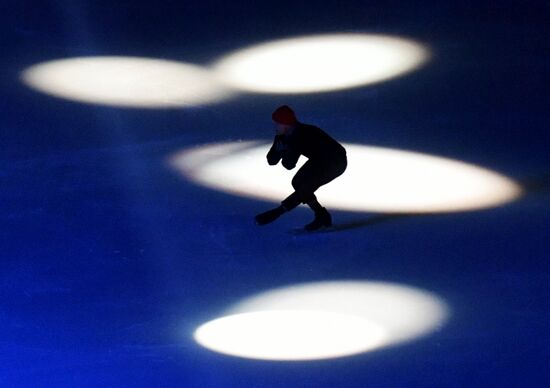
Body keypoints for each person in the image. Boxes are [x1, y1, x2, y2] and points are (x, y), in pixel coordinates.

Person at [255, 105, 347, 231]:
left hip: (335, 161)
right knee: (298, 182)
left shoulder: (300, 136)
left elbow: (288, 165)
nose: (274, 127)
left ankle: (280, 212)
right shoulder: (283, 136)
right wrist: (280, 150)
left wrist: (283, 150)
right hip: (319, 159)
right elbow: (271, 160)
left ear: (286, 125)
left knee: (304, 186)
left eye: (277, 124)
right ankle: (321, 215)